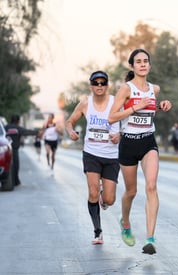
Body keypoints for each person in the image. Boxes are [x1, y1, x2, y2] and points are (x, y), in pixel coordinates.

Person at [108, 48, 172, 254]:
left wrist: (162, 105)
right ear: (132, 66)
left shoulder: (155, 89)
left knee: (151, 187)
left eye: (146, 61)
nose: (143, 64)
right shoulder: (126, 89)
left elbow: (151, 108)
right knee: (131, 192)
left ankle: (150, 239)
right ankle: (125, 222)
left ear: (150, 65)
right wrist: (134, 108)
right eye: (138, 61)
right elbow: (112, 117)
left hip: (147, 142)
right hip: (128, 144)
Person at [65, 70, 121, 245]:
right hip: (91, 154)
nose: (99, 86)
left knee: (109, 200)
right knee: (93, 192)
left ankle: (104, 196)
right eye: (96, 83)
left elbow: (129, 121)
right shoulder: (85, 104)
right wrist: (71, 131)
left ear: (107, 86)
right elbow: (69, 122)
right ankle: (97, 232)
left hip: (112, 156)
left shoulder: (116, 102)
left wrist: (119, 133)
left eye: (102, 83)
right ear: (90, 86)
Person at [5, 115, 39, 186]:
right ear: (18, 121)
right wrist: (37, 132)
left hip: (5, 150)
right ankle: (16, 180)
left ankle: (8, 180)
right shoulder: (18, 128)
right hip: (14, 149)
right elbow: (27, 132)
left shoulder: (5, 127)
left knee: (6, 165)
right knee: (15, 165)